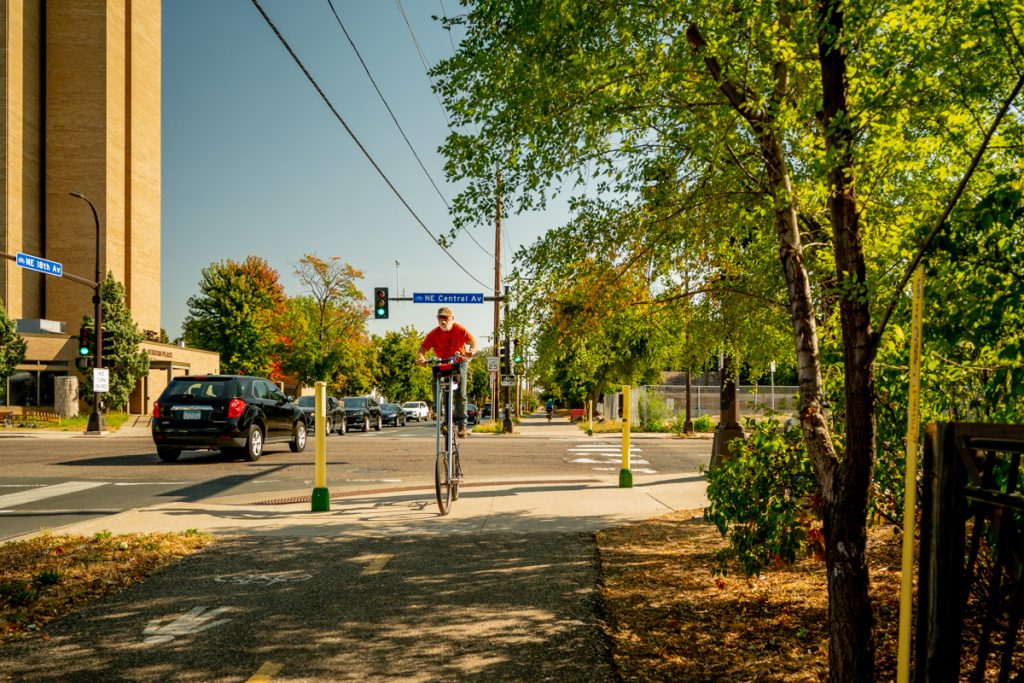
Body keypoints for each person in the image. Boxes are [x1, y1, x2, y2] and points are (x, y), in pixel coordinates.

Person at [416, 306, 478, 438]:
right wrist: (420, 357)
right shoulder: (433, 334)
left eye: (446, 318)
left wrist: (471, 351)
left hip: (459, 363)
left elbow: (473, 342)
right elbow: (422, 348)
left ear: (452, 319)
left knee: (460, 395)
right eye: (440, 318)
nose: (443, 321)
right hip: (442, 362)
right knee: (436, 384)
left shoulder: (460, 329)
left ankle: (462, 426)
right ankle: (441, 415)